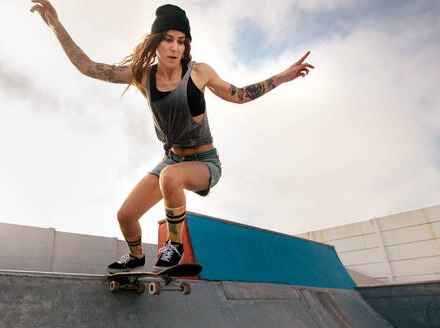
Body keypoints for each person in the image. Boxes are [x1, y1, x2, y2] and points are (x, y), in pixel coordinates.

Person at [30, 1, 314, 272]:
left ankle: (174, 246)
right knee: (126, 216)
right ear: (156, 42)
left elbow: (239, 96)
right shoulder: (142, 75)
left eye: (181, 41)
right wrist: (56, 25)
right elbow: (88, 67)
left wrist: (282, 76)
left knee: (170, 177)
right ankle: (135, 257)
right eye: (169, 39)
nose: (176, 47)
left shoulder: (198, 72)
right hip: (171, 160)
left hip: (205, 163)